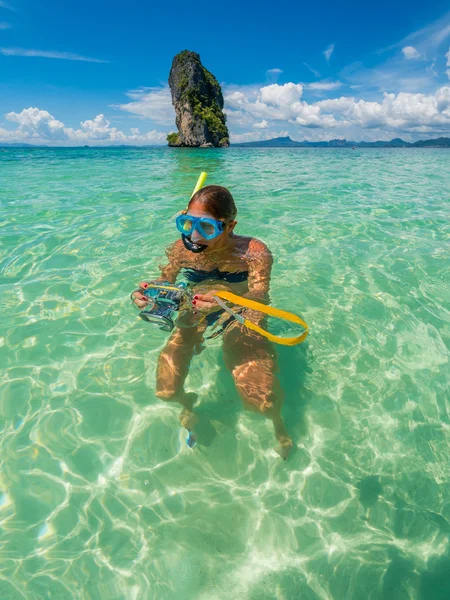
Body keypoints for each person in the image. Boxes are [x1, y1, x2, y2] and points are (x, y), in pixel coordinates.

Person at [133, 185, 292, 459]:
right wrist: (150, 294)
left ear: (230, 225)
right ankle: (188, 404)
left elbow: (260, 297)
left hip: (239, 311)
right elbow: (165, 281)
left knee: (260, 401)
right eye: (187, 224)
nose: (194, 236)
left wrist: (228, 298)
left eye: (206, 228)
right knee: (166, 390)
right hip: (195, 308)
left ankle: (280, 425)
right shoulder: (181, 250)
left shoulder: (254, 252)